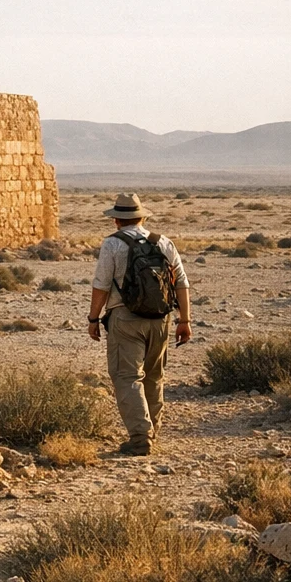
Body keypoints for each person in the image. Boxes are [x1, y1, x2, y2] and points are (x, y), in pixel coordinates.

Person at [87, 192, 191, 456]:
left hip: (125, 318)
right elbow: (181, 282)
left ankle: (140, 437)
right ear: (142, 217)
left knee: (127, 376)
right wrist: (185, 320)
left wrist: (93, 318)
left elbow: (101, 285)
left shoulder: (112, 244)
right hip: (160, 319)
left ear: (116, 221)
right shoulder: (163, 242)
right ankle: (151, 432)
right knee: (154, 377)